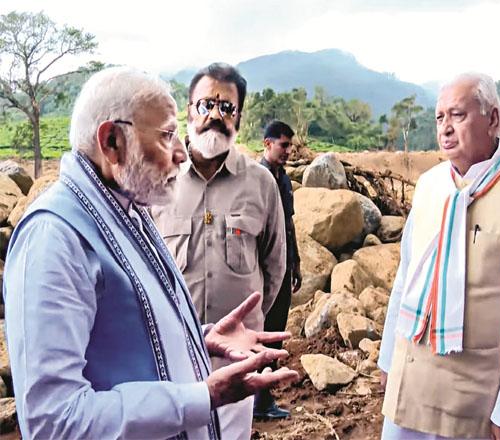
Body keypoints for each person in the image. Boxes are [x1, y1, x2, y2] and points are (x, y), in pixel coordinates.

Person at [2, 67, 298, 440]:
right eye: (166, 135)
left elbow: (126, 332)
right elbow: (53, 421)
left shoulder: (128, 209)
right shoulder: (54, 238)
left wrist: (198, 338)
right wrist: (201, 397)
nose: (179, 153)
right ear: (112, 141)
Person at [378, 73, 500, 439]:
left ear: (492, 120)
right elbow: (405, 277)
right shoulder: (430, 185)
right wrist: (387, 360)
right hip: (410, 381)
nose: (445, 128)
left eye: (457, 115)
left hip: (473, 397)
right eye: (440, 117)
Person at [152, 63, 286, 439]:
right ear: (188, 110)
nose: (215, 115)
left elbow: (274, 269)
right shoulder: (161, 180)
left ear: (239, 118)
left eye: (227, 107)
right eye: (205, 104)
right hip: (173, 355)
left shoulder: (261, 184)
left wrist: (248, 324)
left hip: (237, 359)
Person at [254, 120, 302, 419]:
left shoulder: (282, 179)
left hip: (283, 268)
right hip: (261, 270)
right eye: (283, 145)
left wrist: (295, 262)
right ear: (267, 143)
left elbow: (289, 225)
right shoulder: (255, 179)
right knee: (259, 331)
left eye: (289, 145)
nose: (288, 151)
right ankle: (254, 397)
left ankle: (262, 397)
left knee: (275, 331)